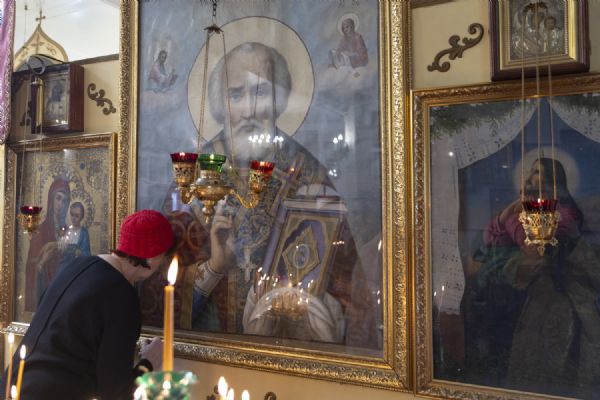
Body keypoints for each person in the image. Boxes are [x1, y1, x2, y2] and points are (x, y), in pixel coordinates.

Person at [150, 41, 378, 347]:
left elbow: (344, 279)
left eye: (260, 93)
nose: (250, 111)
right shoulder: (195, 174)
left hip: (285, 350)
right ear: (220, 104)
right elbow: (160, 286)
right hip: (209, 351)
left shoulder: (306, 172)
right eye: (236, 95)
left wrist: (298, 298)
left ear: (278, 100)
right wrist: (214, 267)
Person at [1, 209, 173, 399]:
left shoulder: (76, 264)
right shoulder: (122, 296)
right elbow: (115, 393)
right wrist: (148, 362)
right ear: (153, 257)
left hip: (12, 385)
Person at [472, 158, 600, 398]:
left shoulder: (565, 212)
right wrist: (513, 208)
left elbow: (545, 242)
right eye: (530, 171)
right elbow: (491, 237)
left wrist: (522, 235)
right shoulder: (522, 209)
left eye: (537, 172)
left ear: (553, 179)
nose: (531, 177)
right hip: (524, 296)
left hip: (559, 297)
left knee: (556, 360)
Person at [25, 178, 71, 311]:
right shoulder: (40, 231)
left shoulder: (70, 232)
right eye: (58, 198)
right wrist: (43, 261)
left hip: (65, 292)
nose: (61, 204)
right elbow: (31, 270)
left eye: (65, 200)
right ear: (51, 200)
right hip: (46, 294)